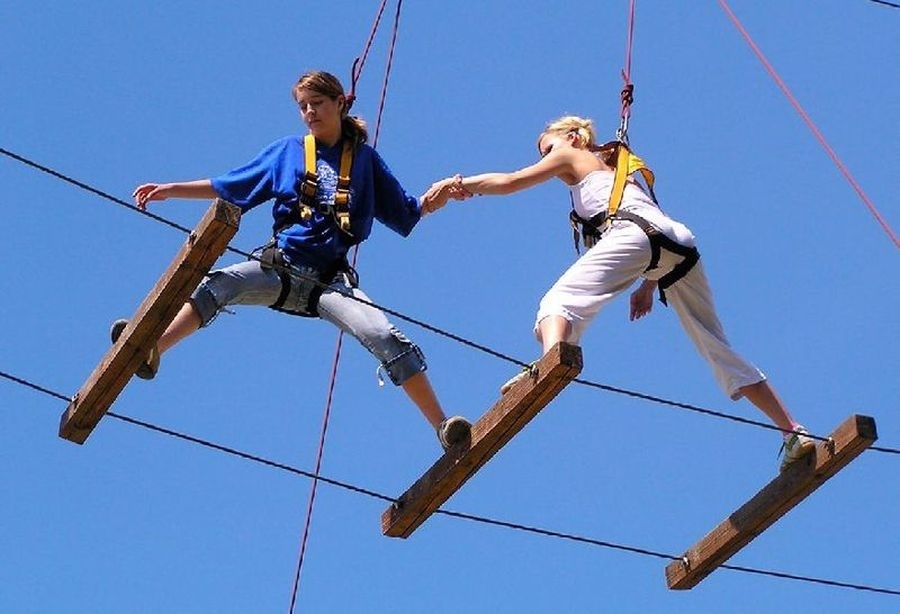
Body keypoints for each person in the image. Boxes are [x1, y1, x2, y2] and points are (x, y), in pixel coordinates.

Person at [424, 115, 814, 471]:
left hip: (638, 239)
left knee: (557, 303)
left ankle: (546, 366)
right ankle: (792, 430)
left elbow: (512, 181)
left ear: (574, 138)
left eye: (549, 147)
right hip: (675, 245)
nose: (546, 157)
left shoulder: (574, 158)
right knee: (716, 348)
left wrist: (457, 185)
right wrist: (649, 282)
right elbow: (651, 225)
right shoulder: (611, 170)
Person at [124, 70, 470, 451]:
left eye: (317, 104)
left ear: (340, 103)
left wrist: (442, 195)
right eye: (303, 107)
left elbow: (406, 212)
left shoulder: (365, 162)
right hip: (280, 268)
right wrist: (172, 190)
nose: (309, 112)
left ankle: (442, 425)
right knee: (220, 284)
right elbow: (231, 185)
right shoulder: (287, 152)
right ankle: (153, 347)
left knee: (382, 335)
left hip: (329, 284)